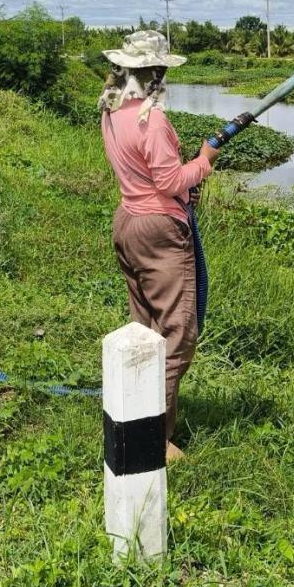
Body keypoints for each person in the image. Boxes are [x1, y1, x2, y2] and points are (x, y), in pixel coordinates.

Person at [99, 30, 219, 463]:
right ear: (155, 73)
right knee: (176, 338)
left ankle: (136, 414)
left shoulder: (111, 113)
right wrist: (204, 161)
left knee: (145, 331)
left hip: (128, 221)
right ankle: (154, 439)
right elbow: (169, 182)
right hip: (158, 231)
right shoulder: (153, 121)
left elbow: (148, 177)